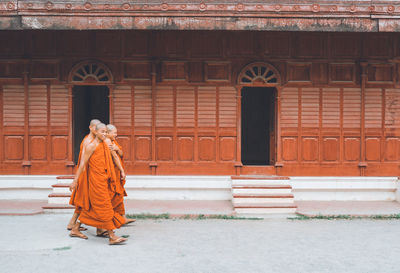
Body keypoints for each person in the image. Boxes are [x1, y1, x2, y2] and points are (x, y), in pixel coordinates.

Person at [69, 123, 127, 245]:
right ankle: (112, 236)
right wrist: (75, 181)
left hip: (104, 179)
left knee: (93, 209)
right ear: (95, 132)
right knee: (105, 207)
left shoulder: (105, 144)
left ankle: (75, 228)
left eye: (106, 132)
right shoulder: (91, 146)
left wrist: (121, 171)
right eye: (102, 131)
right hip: (95, 182)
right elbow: (82, 165)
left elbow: (115, 156)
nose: (105, 134)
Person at [67, 119, 100, 231]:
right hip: (85, 174)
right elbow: (82, 163)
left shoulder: (94, 140)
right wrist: (76, 180)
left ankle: (72, 224)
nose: (97, 129)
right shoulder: (88, 141)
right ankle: (98, 227)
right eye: (95, 127)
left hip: (88, 173)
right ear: (90, 127)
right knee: (84, 200)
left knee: (83, 200)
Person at [105, 124, 135, 225]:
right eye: (114, 133)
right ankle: (109, 220)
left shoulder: (113, 142)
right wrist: (122, 170)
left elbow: (121, 154)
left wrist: (117, 149)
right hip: (112, 172)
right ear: (108, 133)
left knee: (119, 194)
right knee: (114, 195)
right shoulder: (107, 142)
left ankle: (122, 218)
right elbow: (115, 158)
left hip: (116, 172)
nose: (116, 135)